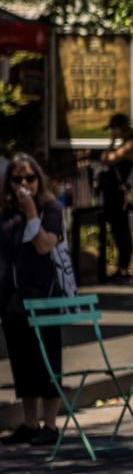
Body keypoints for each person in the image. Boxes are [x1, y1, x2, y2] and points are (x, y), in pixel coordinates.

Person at [0, 155, 68, 447]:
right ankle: (30, 422)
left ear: (39, 180)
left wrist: (31, 213)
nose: (24, 184)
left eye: (30, 178)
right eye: (17, 179)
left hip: (43, 296)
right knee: (22, 359)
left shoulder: (50, 208)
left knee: (47, 357)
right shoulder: (5, 212)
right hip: (12, 298)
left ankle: (51, 424)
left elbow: (44, 245)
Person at [99, 112, 133, 279]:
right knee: (116, 229)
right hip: (112, 192)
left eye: (114, 129)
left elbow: (110, 159)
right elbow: (104, 158)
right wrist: (112, 143)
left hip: (118, 193)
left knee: (122, 228)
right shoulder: (123, 144)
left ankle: (124, 267)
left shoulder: (130, 145)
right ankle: (121, 266)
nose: (112, 132)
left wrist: (112, 144)